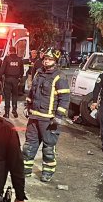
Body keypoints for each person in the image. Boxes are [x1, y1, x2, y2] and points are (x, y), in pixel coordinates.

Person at [22, 47, 70, 182]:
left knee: (48, 148)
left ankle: (47, 172)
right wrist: (28, 106)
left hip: (49, 120)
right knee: (29, 145)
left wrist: (59, 117)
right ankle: (25, 170)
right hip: (34, 117)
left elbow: (64, 99)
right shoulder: (38, 73)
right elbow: (32, 92)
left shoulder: (60, 77)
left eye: (50, 59)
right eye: (45, 59)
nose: (46, 61)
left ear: (55, 61)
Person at [0, 50, 25, 118]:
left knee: (7, 96)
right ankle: (14, 110)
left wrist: (0, 76)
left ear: (10, 51)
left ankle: (7, 113)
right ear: (15, 51)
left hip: (7, 79)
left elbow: (2, 69)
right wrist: (20, 77)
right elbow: (22, 71)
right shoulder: (20, 59)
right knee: (14, 95)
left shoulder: (7, 58)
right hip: (16, 80)